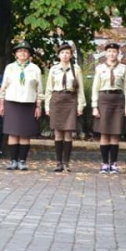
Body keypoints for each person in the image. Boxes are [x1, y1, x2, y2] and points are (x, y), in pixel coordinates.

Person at [0, 41, 43, 171]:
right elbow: (4, 86)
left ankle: (22, 161)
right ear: (15, 54)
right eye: (19, 51)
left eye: (25, 51)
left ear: (29, 54)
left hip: (28, 103)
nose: (22, 53)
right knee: (12, 133)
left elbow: (39, 89)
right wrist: (2, 104)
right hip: (12, 102)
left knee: (25, 133)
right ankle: (13, 160)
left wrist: (38, 106)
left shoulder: (35, 69)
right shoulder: (10, 67)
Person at [44, 44, 86, 172]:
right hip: (57, 100)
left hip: (70, 100)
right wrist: (47, 105)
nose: (65, 55)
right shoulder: (54, 69)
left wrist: (81, 105)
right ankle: (58, 162)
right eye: (62, 53)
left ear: (71, 55)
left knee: (68, 132)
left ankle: (66, 162)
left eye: (68, 53)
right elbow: (49, 88)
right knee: (58, 132)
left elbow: (80, 89)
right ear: (59, 55)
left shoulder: (76, 69)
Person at [91, 42, 126, 174]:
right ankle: (104, 163)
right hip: (104, 100)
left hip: (118, 100)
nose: (111, 54)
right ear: (106, 53)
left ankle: (113, 163)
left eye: (114, 51)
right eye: (109, 51)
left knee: (115, 133)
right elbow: (95, 88)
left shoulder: (123, 68)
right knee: (104, 133)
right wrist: (94, 106)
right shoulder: (99, 68)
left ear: (118, 53)